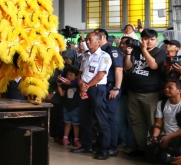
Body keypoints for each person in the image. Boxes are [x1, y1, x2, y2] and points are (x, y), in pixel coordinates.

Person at [123, 28, 167, 156]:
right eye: (146, 39)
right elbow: (128, 67)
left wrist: (143, 50)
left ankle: (154, 149)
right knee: (136, 121)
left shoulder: (160, 52)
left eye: (152, 39)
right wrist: (128, 54)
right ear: (141, 39)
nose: (149, 42)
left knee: (152, 122)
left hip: (150, 93)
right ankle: (141, 148)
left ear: (156, 40)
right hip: (133, 92)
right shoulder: (135, 50)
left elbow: (153, 65)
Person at [71, 32, 111, 160]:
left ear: (98, 41)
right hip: (84, 88)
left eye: (90, 40)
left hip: (96, 89)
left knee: (101, 119)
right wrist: (81, 83)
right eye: (87, 40)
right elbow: (81, 73)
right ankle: (86, 145)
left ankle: (104, 149)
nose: (87, 42)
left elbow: (100, 75)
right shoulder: (85, 56)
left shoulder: (104, 56)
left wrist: (86, 86)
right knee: (85, 118)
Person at [95, 28, 123, 157]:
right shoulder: (97, 52)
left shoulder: (112, 50)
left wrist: (116, 88)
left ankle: (112, 146)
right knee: (101, 117)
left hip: (110, 87)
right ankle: (102, 143)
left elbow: (118, 70)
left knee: (110, 117)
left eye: (95, 38)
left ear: (103, 38)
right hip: (100, 88)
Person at [147, 80, 181, 161]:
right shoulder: (161, 103)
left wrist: (169, 137)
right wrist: (154, 137)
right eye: (165, 88)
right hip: (165, 135)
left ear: (179, 91)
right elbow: (158, 123)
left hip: (178, 137)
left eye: (170, 88)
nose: (166, 89)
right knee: (150, 155)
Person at [57, 66, 81, 147]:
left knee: (76, 124)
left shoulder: (78, 85)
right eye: (67, 75)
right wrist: (58, 85)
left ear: (76, 76)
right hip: (66, 107)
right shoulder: (65, 85)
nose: (68, 76)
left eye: (71, 75)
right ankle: (65, 138)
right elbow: (62, 94)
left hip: (76, 107)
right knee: (67, 123)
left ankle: (76, 139)